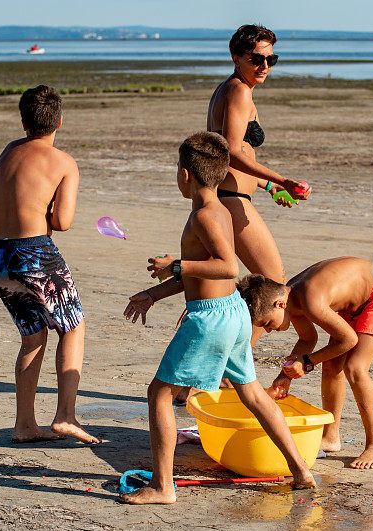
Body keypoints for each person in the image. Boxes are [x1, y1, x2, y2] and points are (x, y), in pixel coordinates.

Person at [120, 132, 315, 505]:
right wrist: (153, 294)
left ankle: (163, 487)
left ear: (184, 175)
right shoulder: (219, 211)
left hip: (211, 319)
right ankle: (301, 470)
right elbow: (199, 275)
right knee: (253, 395)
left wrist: (175, 263)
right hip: (234, 314)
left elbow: (226, 266)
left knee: (159, 393)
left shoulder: (205, 215)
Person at [0, 85, 99, 445]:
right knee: (73, 326)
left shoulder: (8, 150)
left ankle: (24, 425)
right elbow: (63, 222)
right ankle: (65, 415)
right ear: (60, 121)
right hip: (33, 250)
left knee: (33, 335)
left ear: (23, 122)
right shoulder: (64, 162)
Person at [236, 257, 373, 469]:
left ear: (279, 304)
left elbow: (349, 340)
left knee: (355, 367)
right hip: (355, 303)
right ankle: (331, 436)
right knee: (331, 365)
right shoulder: (290, 299)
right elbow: (308, 339)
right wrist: (285, 376)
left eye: (267, 323)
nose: (270, 330)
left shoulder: (310, 300)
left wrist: (307, 362)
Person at [206, 24, 312, 345]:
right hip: (231, 200)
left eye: (271, 59)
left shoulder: (234, 88)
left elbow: (237, 154)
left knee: (253, 290)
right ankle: (233, 369)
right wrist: (282, 179)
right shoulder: (238, 90)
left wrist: (268, 188)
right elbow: (232, 150)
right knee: (273, 287)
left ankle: (229, 365)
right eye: (256, 59)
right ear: (236, 57)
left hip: (230, 197)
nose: (265, 66)